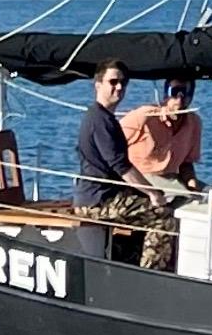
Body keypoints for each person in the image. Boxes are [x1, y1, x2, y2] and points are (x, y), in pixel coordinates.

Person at [118, 76, 204, 270]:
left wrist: (192, 183)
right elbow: (111, 147)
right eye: (175, 93)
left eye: (186, 94)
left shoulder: (194, 123)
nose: (180, 100)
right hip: (138, 177)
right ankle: (153, 268)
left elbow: (187, 163)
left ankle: (189, 261)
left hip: (170, 178)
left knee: (208, 199)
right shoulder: (144, 117)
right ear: (166, 94)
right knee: (176, 204)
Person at [74, 66, 153, 262]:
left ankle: (129, 260)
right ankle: (153, 272)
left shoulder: (105, 118)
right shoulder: (99, 120)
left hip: (107, 196)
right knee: (163, 216)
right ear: (98, 85)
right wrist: (152, 193)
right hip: (97, 201)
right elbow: (120, 165)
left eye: (123, 83)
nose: (119, 87)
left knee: (150, 207)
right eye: (113, 82)